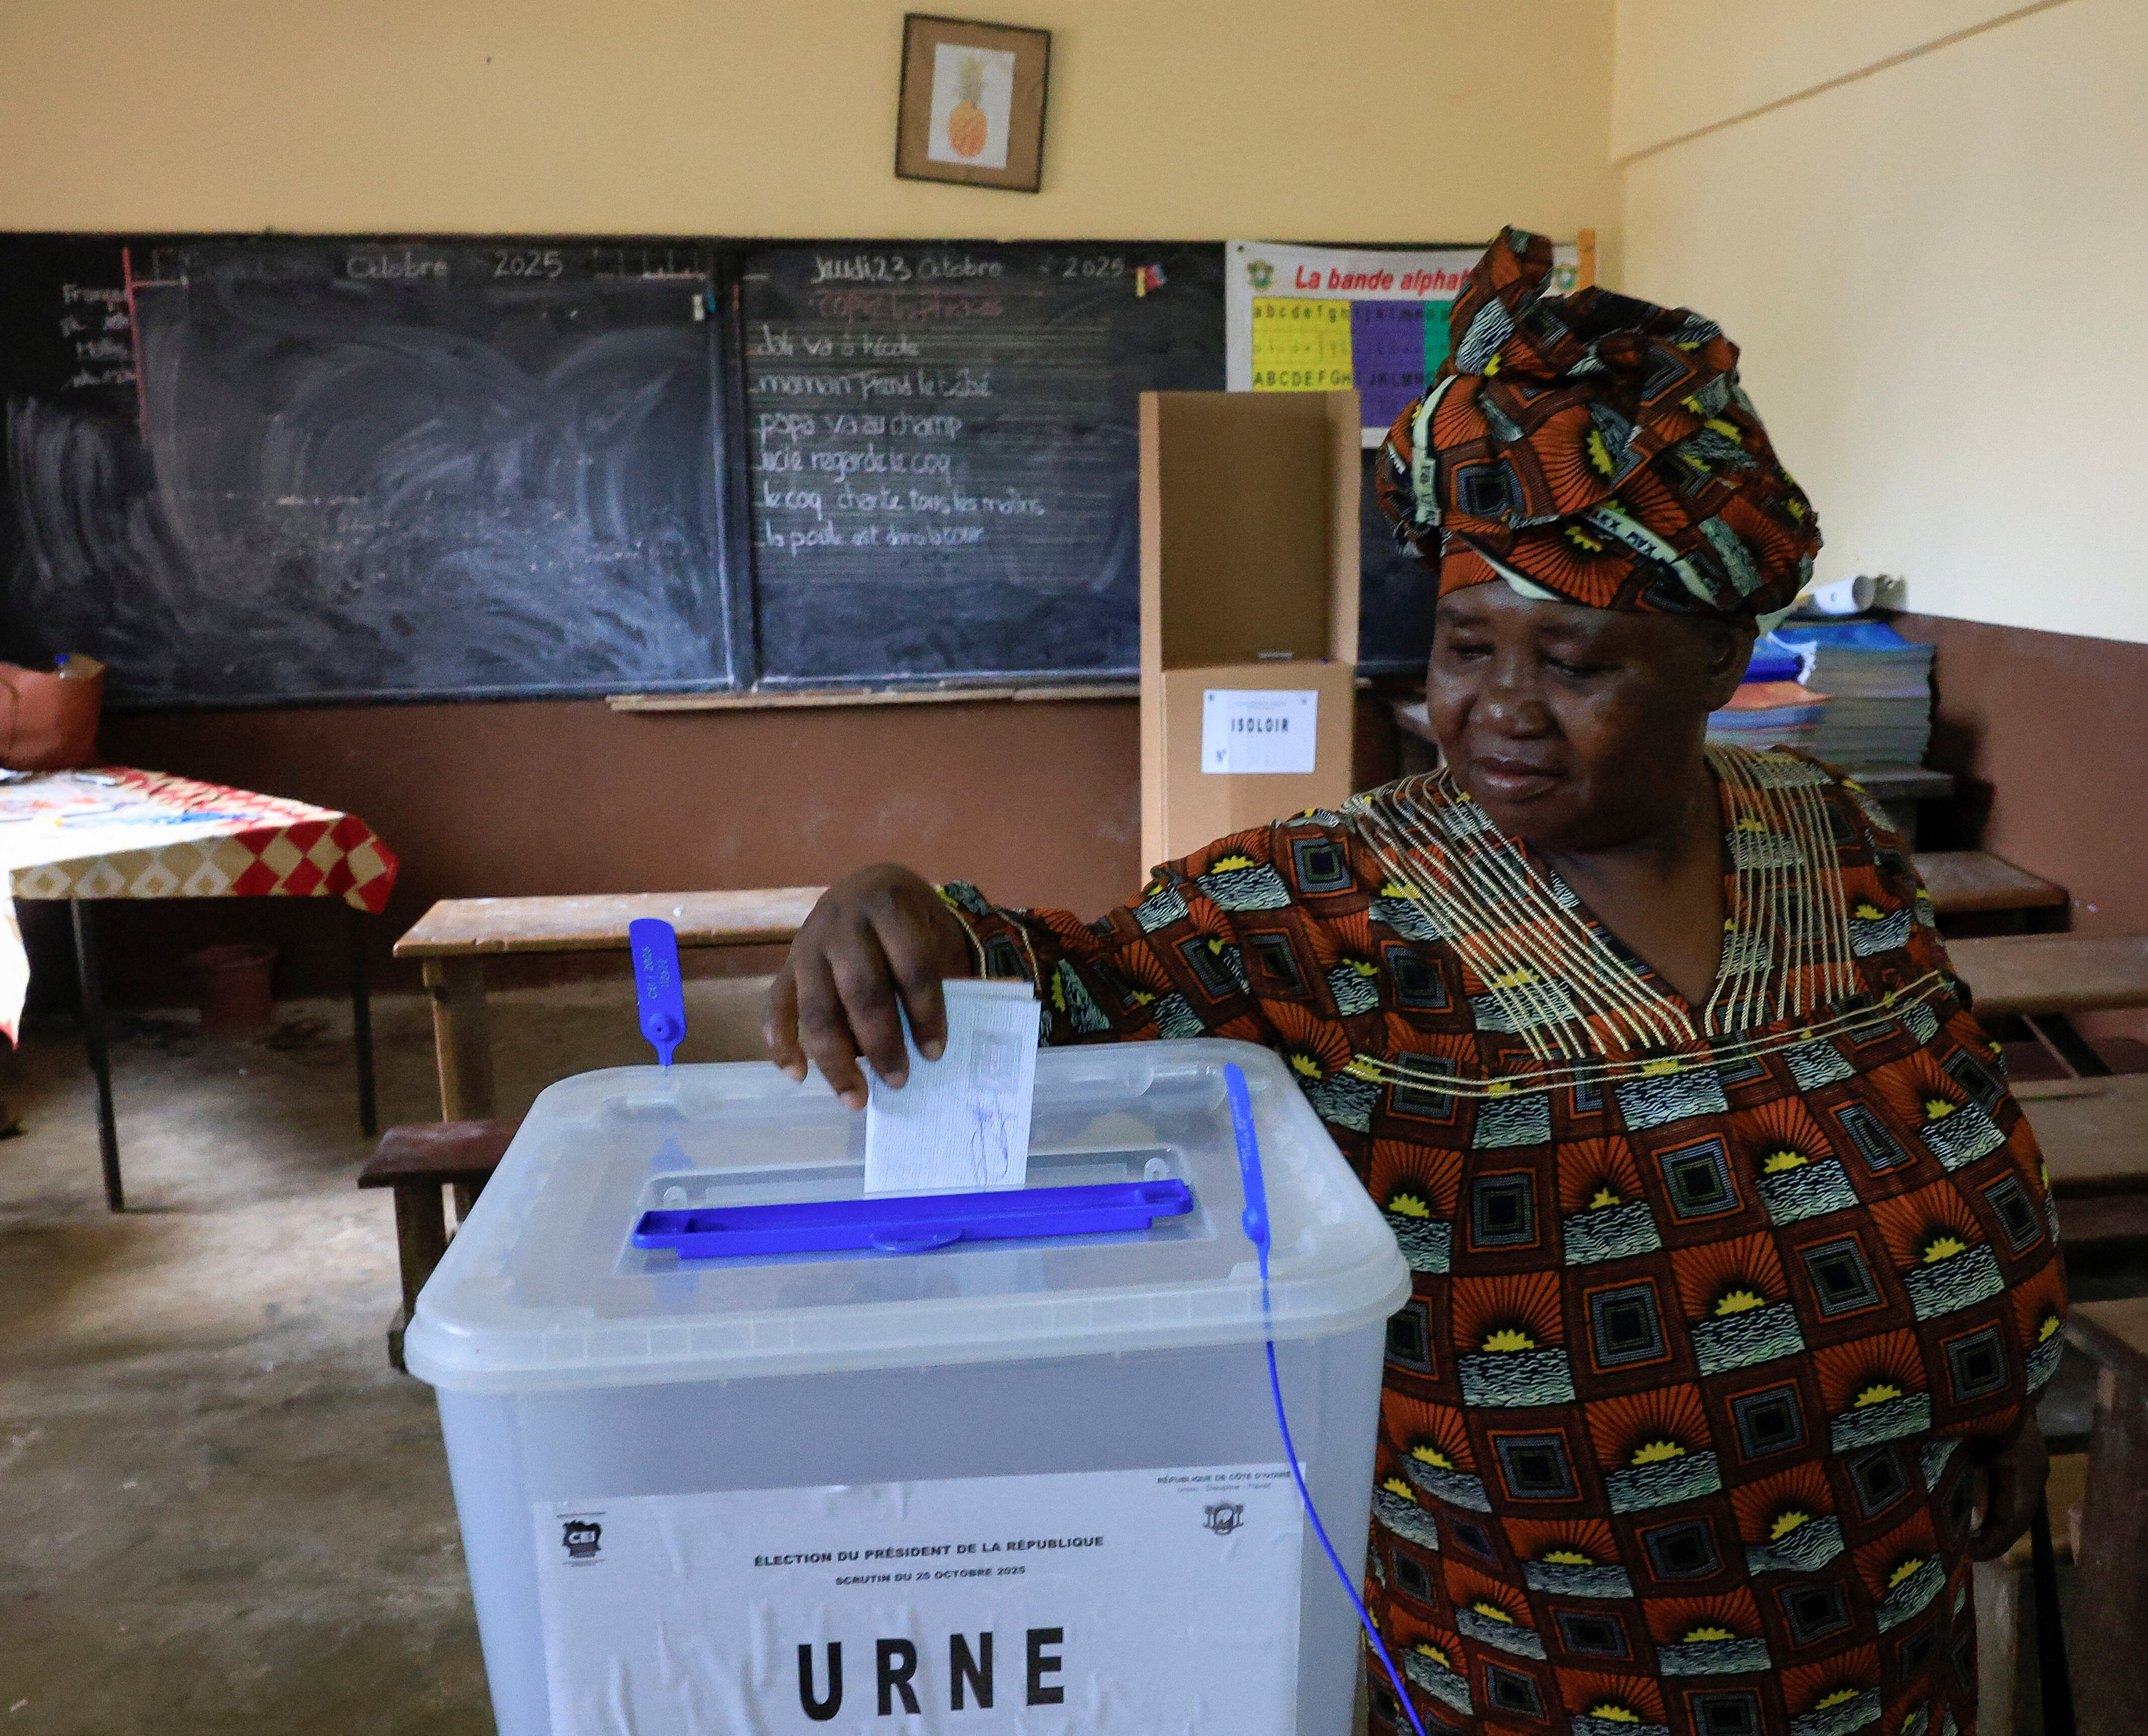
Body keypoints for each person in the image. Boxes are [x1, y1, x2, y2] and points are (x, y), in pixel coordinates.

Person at [767, 228, 2062, 1736]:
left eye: (1573, 663)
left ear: (1719, 656)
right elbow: (1064, 984)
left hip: (1882, 1646)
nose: (1499, 708)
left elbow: (1955, 1117)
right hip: (1527, 1674)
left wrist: (1997, 1391)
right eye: (1463, 645)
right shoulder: (1326, 904)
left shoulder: (1827, 835)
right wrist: (902, 917)